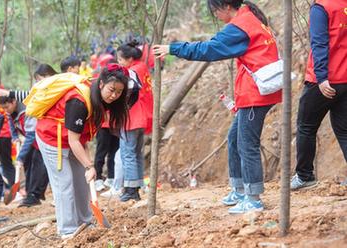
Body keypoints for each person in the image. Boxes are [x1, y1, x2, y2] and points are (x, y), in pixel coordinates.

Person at [154, 0, 282, 214]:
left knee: (246, 144)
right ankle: (239, 190)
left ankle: (253, 199)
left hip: (255, 94)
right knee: (234, 139)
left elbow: (209, 49)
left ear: (224, 7)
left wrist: (172, 48)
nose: (216, 17)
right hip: (254, 91)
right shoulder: (250, 18)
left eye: (215, 13)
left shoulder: (240, 26)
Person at [35, 64, 129, 238]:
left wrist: (87, 167)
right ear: (101, 84)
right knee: (64, 183)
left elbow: (82, 137)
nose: (114, 95)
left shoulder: (101, 100)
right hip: (51, 138)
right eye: (112, 90)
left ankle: (86, 221)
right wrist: (89, 165)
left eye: (119, 92)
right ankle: (67, 230)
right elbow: (73, 140)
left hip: (74, 140)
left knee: (81, 182)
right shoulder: (79, 100)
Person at [291, 0, 347, 190]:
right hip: (345, 79)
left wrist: (322, 77)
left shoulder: (321, 7)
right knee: (344, 131)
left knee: (306, 126)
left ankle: (304, 176)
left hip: (323, 81)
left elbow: (319, 43)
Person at [0, 64, 57, 206]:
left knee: (39, 165)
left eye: (7, 107)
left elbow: (31, 134)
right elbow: (11, 122)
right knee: (29, 164)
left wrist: (20, 156)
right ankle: (30, 193)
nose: (6, 110)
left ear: (13, 101)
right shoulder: (11, 111)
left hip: (43, 137)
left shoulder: (28, 108)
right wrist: (15, 137)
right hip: (35, 140)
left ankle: (35, 195)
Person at [117, 40, 154, 202]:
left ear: (129, 59)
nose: (119, 63)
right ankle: (136, 185)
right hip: (143, 116)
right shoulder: (143, 68)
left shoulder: (131, 72)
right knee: (136, 153)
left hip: (132, 117)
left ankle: (131, 189)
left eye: (120, 60)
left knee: (128, 154)